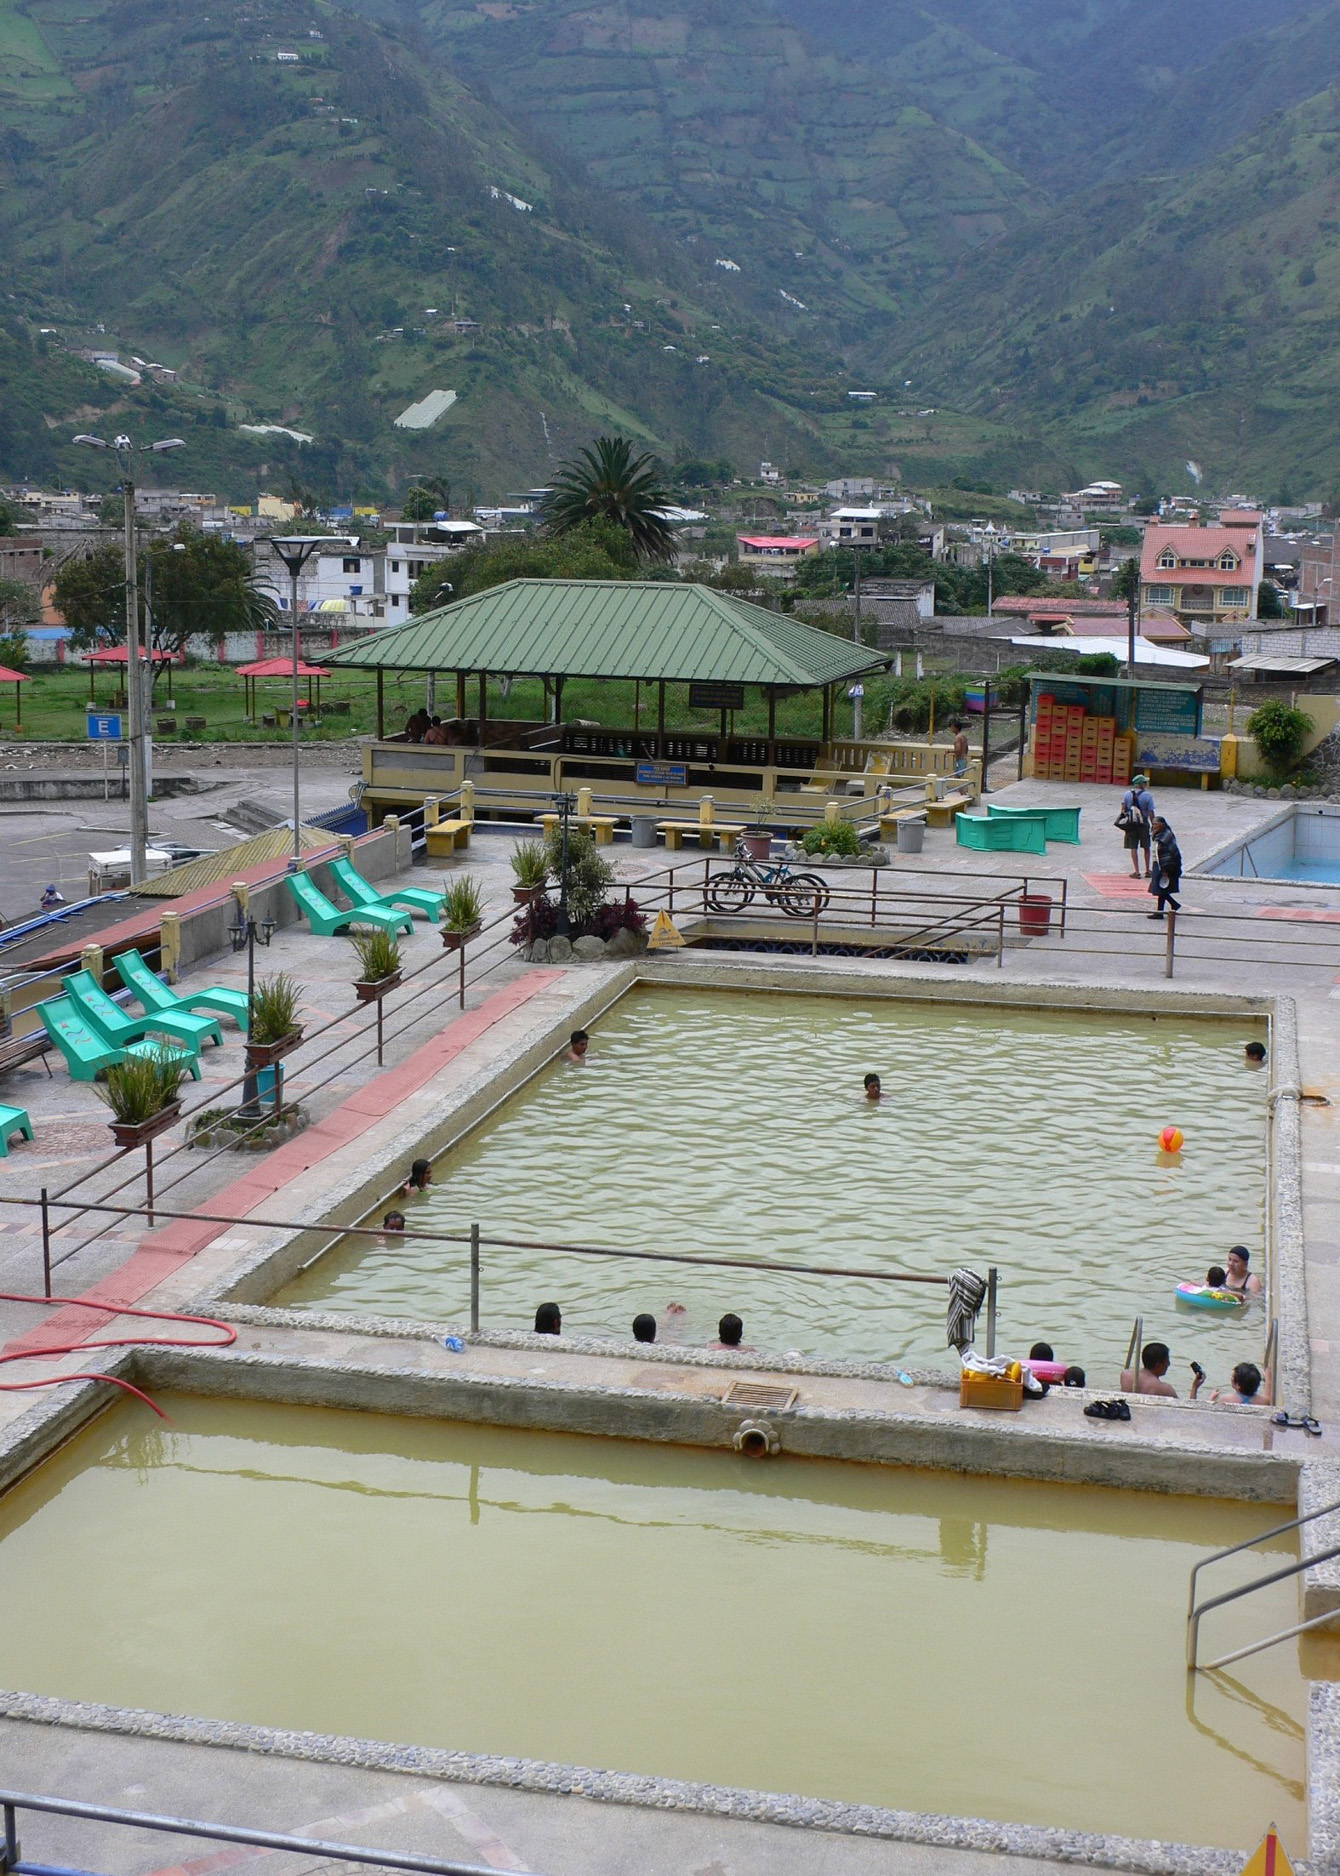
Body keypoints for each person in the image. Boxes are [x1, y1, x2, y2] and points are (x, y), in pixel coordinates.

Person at [1121, 1340, 1202, 1399]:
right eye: (1167, 1361)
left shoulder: (1125, 1375)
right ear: (1158, 1366)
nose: (1169, 1364)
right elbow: (1186, 1412)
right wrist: (1195, 1387)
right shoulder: (1165, 1389)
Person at [1118, 774, 1155, 879]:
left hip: (1131, 824)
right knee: (1146, 846)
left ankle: (1137, 871)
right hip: (1143, 823)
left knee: (1133, 847)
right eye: (1145, 782)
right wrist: (1153, 825)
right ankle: (1148, 870)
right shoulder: (1147, 796)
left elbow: (1123, 810)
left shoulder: (1127, 794)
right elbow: (1151, 812)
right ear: (1142, 784)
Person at [1147, 816, 1182, 919]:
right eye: (1153, 824)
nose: (1154, 826)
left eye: (1156, 824)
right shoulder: (1160, 835)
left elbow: (1166, 855)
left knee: (1159, 888)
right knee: (1161, 889)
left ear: (1162, 824)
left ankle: (1168, 907)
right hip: (1158, 864)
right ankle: (1161, 911)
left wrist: (1165, 870)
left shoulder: (1164, 838)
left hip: (1163, 866)